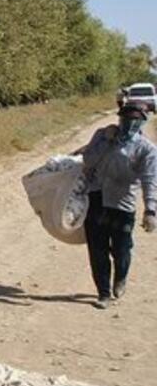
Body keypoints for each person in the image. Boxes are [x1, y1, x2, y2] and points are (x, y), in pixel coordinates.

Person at [76, 102, 157, 309]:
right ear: (119, 118)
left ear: (142, 122)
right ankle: (103, 293)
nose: (129, 123)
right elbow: (88, 160)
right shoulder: (103, 135)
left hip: (123, 203)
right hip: (96, 199)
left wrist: (150, 210)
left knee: (122, 249)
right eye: (126, 118)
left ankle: (120, 278)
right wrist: (106, 142)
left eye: (135, 120)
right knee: (97, 249)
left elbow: (149, 180)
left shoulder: (146, 149)